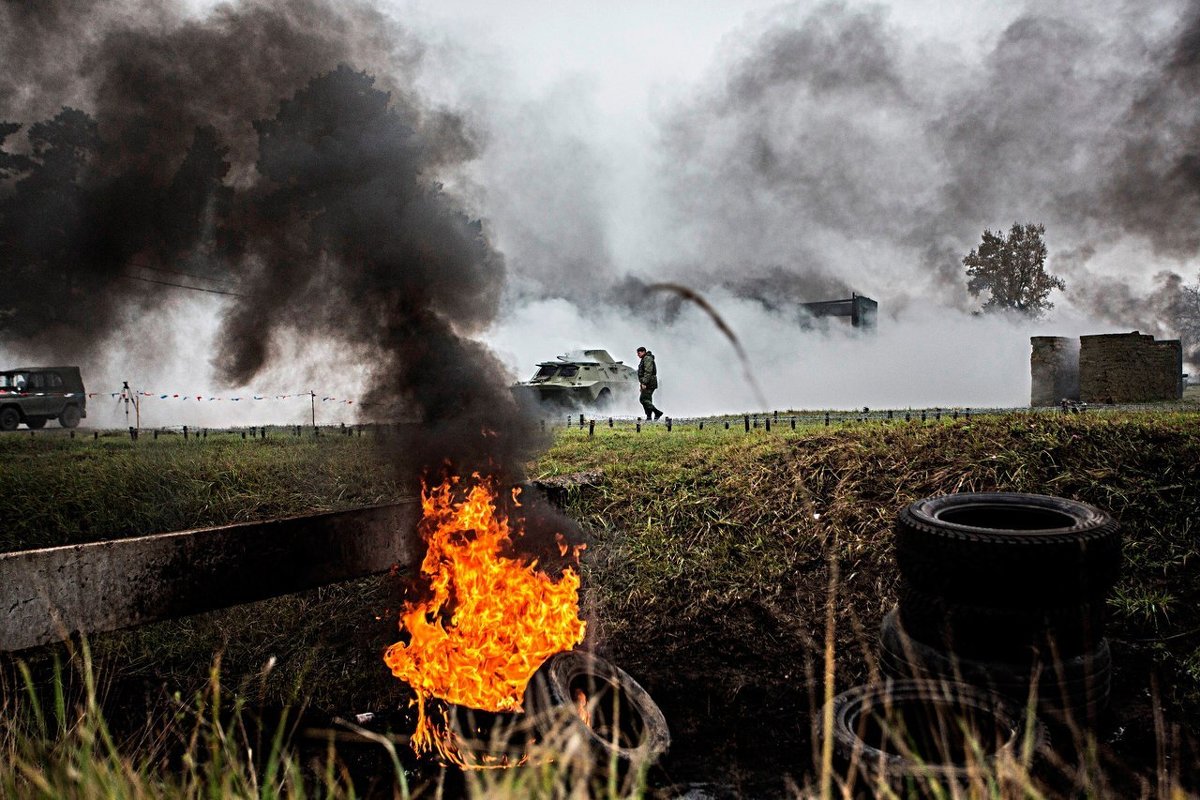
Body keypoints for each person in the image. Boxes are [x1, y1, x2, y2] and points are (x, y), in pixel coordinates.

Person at [636, 346, 664, 420]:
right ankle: (649, 417)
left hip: (649, 383)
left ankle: (657, 412)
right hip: (648, 382)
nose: (638, 355)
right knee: (647, 400)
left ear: (643, 352)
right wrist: (641, 384)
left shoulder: (647, 358)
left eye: (639, 353)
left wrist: (644, 382)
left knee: (643, 399)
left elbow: (648, 372)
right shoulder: (644, 359)